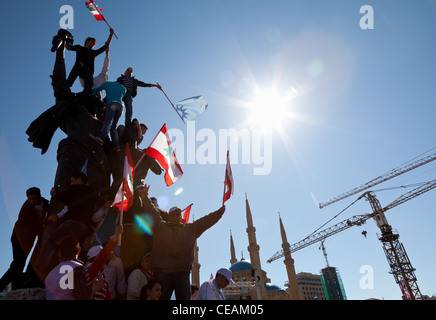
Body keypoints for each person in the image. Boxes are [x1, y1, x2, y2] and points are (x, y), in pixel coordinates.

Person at [141, 184, 226, 300]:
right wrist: (145, 198)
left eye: (177, 215)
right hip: (163, 272)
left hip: (182, 273)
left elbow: (204, 222)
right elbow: (152, 212)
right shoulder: (160, 227)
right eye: (173, 215)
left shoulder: (189, 229)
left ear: (180, 217)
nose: (175, 217)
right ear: (169, 217)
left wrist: (218, 213)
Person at [38, 172, 98, 278]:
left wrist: (54, 194)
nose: (70, 183)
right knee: (72, 251)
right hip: (84, 227)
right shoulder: (92, 193)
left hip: (72, 223)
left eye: (71, 180)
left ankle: (41, 269)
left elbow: (64, 197)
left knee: (51, 241)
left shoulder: (76, 189)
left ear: (79, 179)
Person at [0, 188, 49, 291]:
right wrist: (46, 219)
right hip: (19, 238)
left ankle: (16, 287)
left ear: (39, 196)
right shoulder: (26, 208)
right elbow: (32, 222)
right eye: (29, 199)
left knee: (20, 264)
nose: (31, 201)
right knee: (18, 264)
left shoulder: (44, 203)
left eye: (33, 198)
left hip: (30, 239)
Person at [66, 28, 114, 94]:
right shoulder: (79, 48)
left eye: (94, 43)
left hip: (88, 73)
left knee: (89, 76)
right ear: (87, 41)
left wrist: (111, 35)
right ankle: (68, 83)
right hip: (80, 69)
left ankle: (87, 93)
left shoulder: (93, 53)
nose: (94, 43)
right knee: (79, 64)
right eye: (92, 41)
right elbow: (68, 47)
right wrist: (69, 39)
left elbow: (106, 46)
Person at [85, 224, 123, 300]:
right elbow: (101, 258)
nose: (106, 258)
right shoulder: (89, 271)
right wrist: (116, 236)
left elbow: (107, 296)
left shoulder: (102, 274)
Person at [88, 80, 127, 152]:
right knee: (113, 127)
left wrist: (87, 91)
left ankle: (101, 139)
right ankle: (117, 146)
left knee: (108, 122)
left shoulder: (107, 84)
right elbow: (122, 94)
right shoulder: (124, 88)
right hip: (120, 107)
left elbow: (95, 90)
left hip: (112, 105)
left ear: (115, 81)